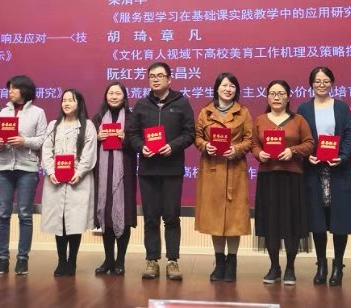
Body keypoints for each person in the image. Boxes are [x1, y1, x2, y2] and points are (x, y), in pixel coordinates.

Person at [126, 61, 195, 281]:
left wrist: (172, 146)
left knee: (172, 217)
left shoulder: (182, 103)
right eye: (152, 76)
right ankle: (152, 260)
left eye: (160, 76)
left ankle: (173, 261)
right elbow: (132, 133)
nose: (155, 80)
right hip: (148, 170)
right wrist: (141, 147)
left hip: (172, 169)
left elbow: (190, 133)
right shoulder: (141, 105)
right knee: (151, 217)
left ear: (169, 79)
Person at [296, 66, 351, 286]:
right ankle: (321, 264)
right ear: (311, 84)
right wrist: (308, 156)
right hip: (314, 171)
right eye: (317, 81)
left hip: (338, 170)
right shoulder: (304, 108)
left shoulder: (341, 107)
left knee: (339, 220)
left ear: (332, 83)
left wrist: (343, 156)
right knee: (318, 220)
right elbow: (299, 138)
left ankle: (338, 265)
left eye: (325, 81)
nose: (321, 85)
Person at [251, 80, 314, 285]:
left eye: (281, 93)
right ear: (267, 97)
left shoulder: (298, 120)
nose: (276, 97)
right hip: (268, 177)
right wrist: (259, 154)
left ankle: (290, 268)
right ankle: (274, 267)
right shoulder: (260, 120)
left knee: (291, 222)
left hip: (292, 177)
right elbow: (253, 144)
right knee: (271, 223)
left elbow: (309, 144)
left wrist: (292, 151)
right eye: (272, 93)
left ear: (288, 97)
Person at [193, 72, 254, 283]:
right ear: (217, 88)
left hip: (235, 170)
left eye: (232, 86)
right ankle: (219, 262)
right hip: (212, 170)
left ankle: (232, 263)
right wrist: (205, 145)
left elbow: (250, 140)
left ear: (236, 90)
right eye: (224, 86)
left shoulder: (243, 112)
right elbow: (197, 137)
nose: (228, 89)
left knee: (234, 220)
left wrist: (236, 149)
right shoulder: (205, 112)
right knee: (215, 218)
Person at [0, 75, 47, 276]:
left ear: (25, 90)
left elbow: (42, 140)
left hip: (27, 168)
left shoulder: (38, 113)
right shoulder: (4, 111)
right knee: (3, 214)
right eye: (9, 88)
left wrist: (24, 141)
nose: (10, 92)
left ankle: (22, 259)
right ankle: (2, 258)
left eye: (14, 88)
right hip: (3, 167)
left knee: (25, 214)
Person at [40, 89, 97, 277]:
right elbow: (46, 150)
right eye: (64, 100)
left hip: (78, 181)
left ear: (79, 103)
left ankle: (72, 261)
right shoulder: (53, 125)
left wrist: (79, 173)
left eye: (70, 100)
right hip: (55, 180)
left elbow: (89, 152)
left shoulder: (87, 125)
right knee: (60, 222)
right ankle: (61, 261)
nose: (66, 103)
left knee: (74, 221)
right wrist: (50, 171)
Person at [92, 82, 136, 277]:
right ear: (106, 96)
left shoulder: (132, 118)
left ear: (124, 97)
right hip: (102, 174)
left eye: (118, 93)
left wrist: (125, 137)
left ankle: (120, 261)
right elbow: (86, 144)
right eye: (111, 93)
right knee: (106, 216)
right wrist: (96, 137)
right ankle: (108, 259)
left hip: (124, 174)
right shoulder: (98, 118)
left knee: (123, 216)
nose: (114, 96)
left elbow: (138, 143)